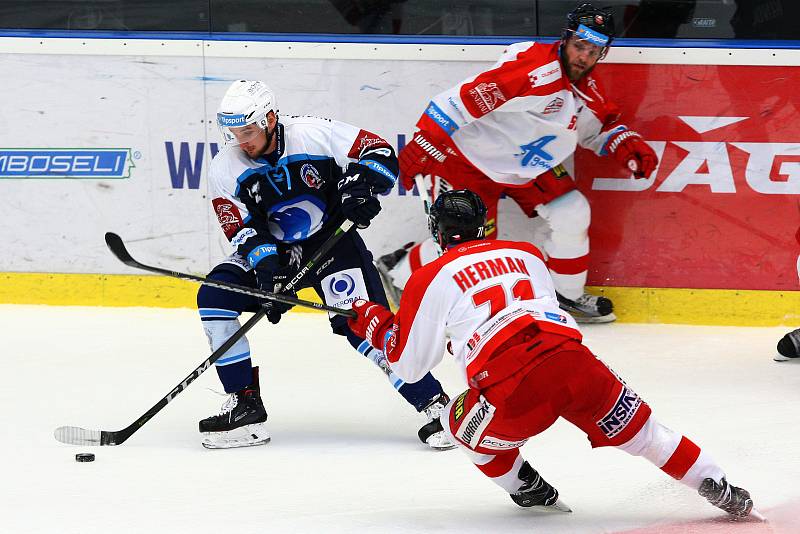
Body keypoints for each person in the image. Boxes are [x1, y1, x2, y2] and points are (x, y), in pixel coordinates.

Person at [348, 189, 759, 518]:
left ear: (437, 231)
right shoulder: (526, 255)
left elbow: (409, 363)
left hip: (511, 383)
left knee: (459, 431)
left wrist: (375, 322)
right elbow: (527, 311)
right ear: (484, 225)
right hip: (575, 360)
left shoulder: (429, 276)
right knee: (648, 435)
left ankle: (528, 489)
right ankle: (721, 485)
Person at [196, 79, 454, 450]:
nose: (242, 141)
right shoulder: (225, 168)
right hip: (275, 253)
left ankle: (437, 407)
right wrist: (267, 272)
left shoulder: (313, 134)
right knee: (215, 297)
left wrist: (360, 186)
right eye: (234, 132)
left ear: (270, 119)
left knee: (365, 323)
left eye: (248, 130)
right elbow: (239, 228)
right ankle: (245, 406)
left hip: (333, 244)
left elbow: (379, 151)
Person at [376, 2, 659, 323]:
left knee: (572, 212)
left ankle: (564, 293)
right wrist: (424, 142)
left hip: (526, 163)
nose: (585, 57)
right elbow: (459, 100)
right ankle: (398, 269)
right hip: (469, 160)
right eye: (580, 46)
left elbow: (594, 129)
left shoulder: (585, 86)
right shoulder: (534, 73)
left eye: (594, 50)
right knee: (467, 239)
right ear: (566, 39)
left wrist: (624, 145)